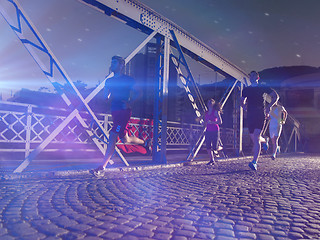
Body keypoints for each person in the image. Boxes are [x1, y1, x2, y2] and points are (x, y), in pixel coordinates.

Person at [93, 56, 146, 175]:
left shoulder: (128, 80)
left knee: (112, 136)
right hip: (114, 111)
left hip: (123, 112)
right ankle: (144, 143)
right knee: (125, 139)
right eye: (111, 62)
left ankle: (102, 167)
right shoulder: (109, 81)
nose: (112, 64)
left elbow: (139, 92)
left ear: (121, 65)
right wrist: (105, 89)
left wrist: (130, 103)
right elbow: (105, 98)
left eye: (114, 62)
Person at [241, 71, 279, 171]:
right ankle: (265, 140)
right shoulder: (246, 89)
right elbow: (241, 100)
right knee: (254, 138)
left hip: (259, 114)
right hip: (250, 115)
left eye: (254, 75)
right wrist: (243, 105)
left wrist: (269, 107)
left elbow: (276, 96)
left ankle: (254, 162)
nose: (252, 77)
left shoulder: (262, 87)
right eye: (251, 75)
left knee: (256, 137)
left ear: (258, 77)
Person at [204, 98, 222, 165]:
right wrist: (203, 123)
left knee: (215, 147)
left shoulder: (215, 112)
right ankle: (212, 160)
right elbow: (206, 121)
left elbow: (220, 122)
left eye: (210, 102)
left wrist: (212, 122)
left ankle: (221, 147)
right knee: (208, 146)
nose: (209, 103)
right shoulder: (206, 112)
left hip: (215, 130)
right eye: (208, 102)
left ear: (213, 104)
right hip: (208, 130)